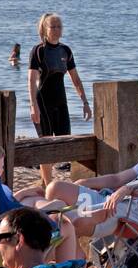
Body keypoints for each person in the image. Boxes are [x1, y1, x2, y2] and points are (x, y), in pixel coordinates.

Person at [44, 104, 138, 241]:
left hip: (136, 211)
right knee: (56, 188)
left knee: (73, 219)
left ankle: (65, 254)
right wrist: (85, 182)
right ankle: (73, 251)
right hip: (112, 199)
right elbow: (117, 179)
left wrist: (127, 189)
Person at [0, 140, 79, 263]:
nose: (3, 170)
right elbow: (18, 216)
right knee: (66, 227)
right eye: (1, 166)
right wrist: (54, 207)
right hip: (7, 253)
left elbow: (3, 205)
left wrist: (22, 193)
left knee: (34, 203)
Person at [28, 13, 91, 185]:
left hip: (61, 103)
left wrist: (85, 102)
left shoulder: (66, 51)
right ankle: (48, 185)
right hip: (43, 103)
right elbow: (32, 80)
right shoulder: (38, 51)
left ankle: (45, 182)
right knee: (47, 144)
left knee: (64, 142)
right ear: (44, 29)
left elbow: (76, 79)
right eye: (53, 26)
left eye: (59, 26)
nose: (56, 30)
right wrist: (33, 106)